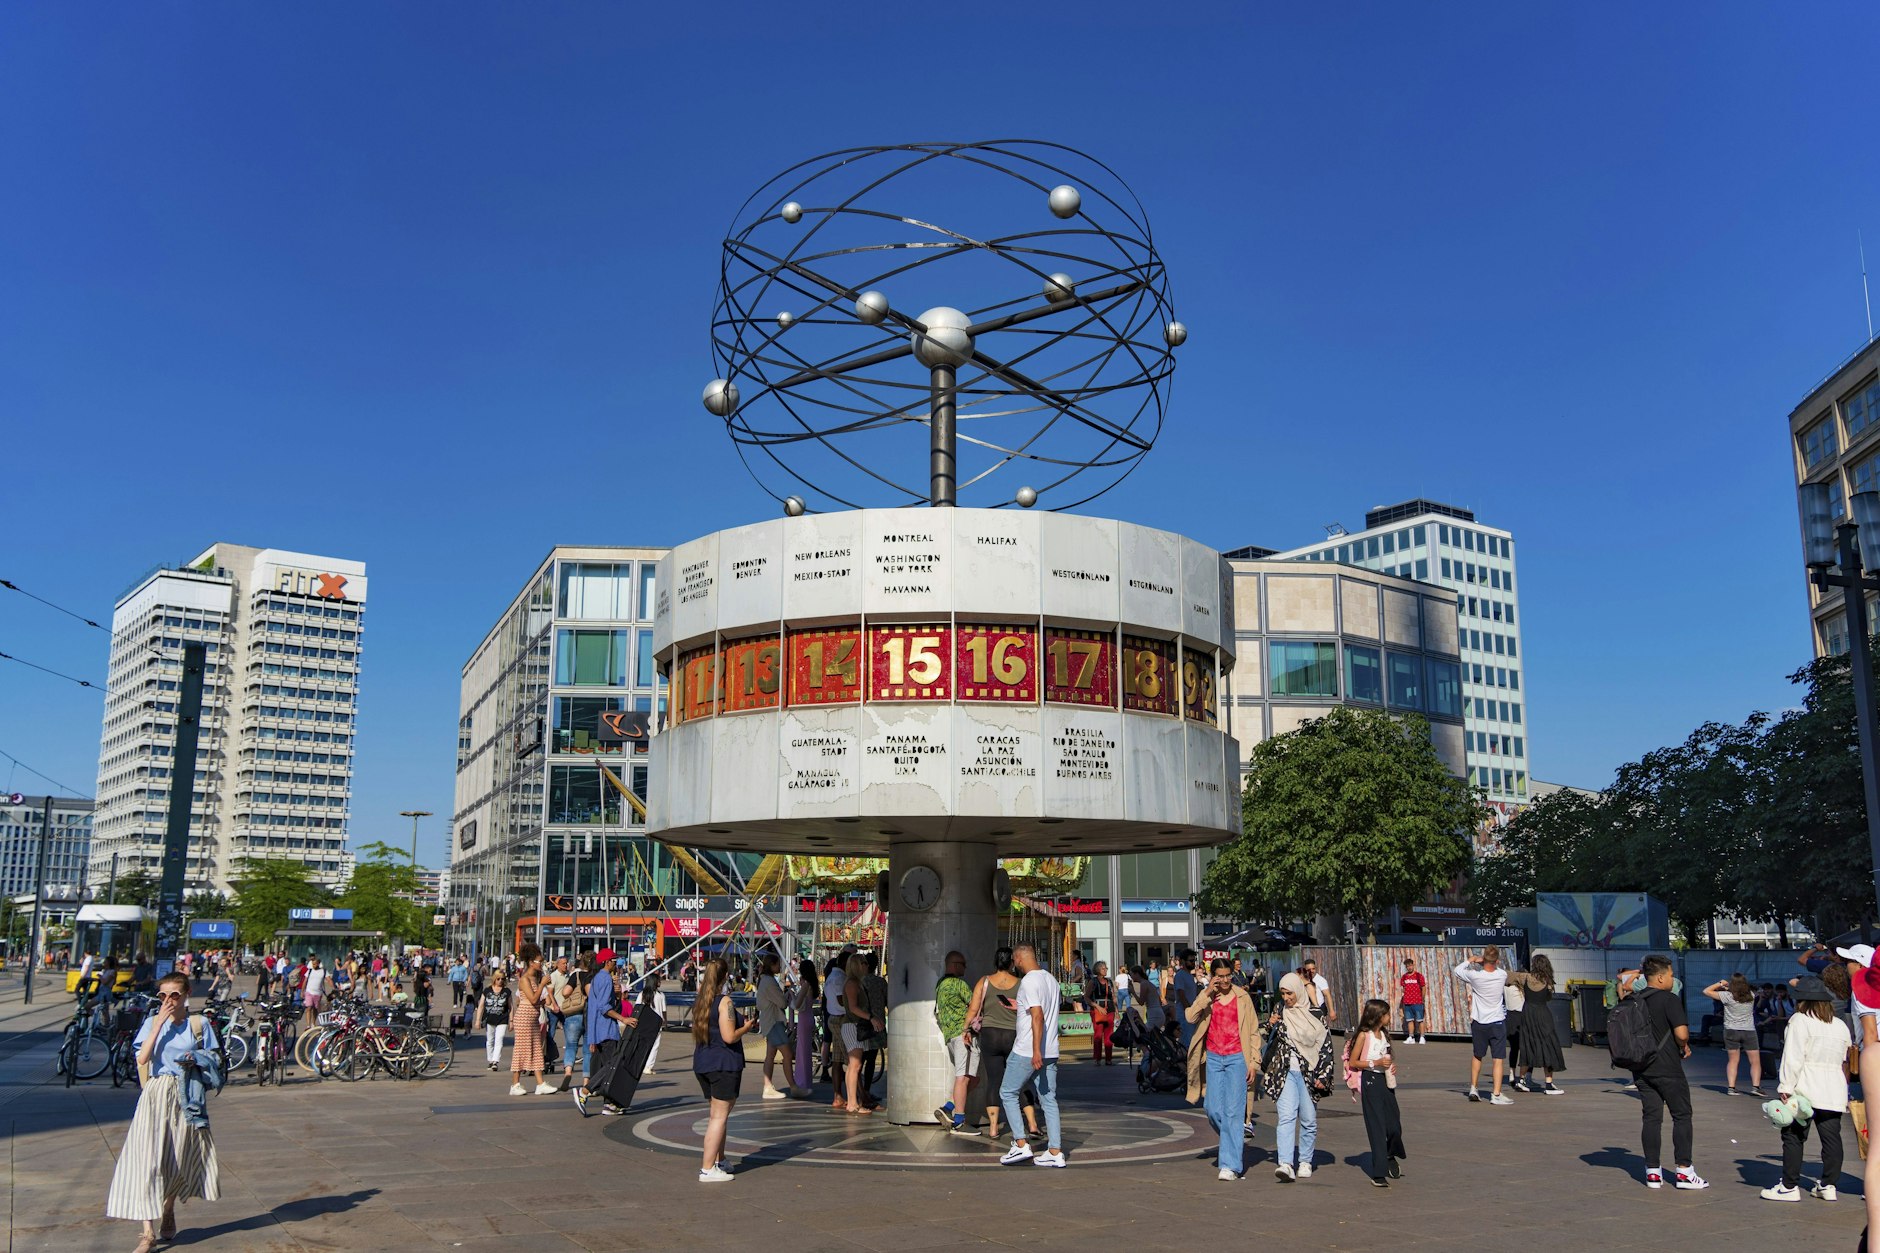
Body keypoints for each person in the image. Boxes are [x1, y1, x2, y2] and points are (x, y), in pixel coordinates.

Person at [107, 972, 219, 1252]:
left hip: (186, 1095)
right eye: (162, 995)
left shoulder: (199, 1024)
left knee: (178, 1158)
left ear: (186, 994)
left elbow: (215, 1059)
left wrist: (198, 1059)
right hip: (156, 1094)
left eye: (174, 995)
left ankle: (168, 1207)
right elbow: (142, 1058)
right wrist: (157, 1024)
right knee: (147, 1161)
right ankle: (147, 1233)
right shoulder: (151, 1023)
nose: (168, 1000)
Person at [1762, 975, 1852, 1202]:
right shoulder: (1839, 1024)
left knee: (1793, 1136)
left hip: (1805, 1085)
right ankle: (1828, 1185)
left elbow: (1792, 1057)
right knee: (1831, 1137)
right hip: (1834, 1086)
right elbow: (1844, 1058)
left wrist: (1785, 1086)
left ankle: (1789, 1186)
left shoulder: (1799, 1020)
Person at [1631, 954, 1705, 1190]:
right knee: (1682, 1115)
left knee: (1651, 1118)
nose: (1673, 979)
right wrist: (1683, 1046)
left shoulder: (1635, 999)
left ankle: (1652, 1172)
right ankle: (1684, 1172)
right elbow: (1682, 1034)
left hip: (1641, 1067)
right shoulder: (1669, 1000)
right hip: (1668, 1067)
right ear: (1661, 977)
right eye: (1671, 975)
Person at [1185, 957, 1261, 1181]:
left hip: (1238, 1058)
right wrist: (1206, 993)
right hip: (1214, 1058)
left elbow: (1254, 1032)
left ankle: (1230, 1165)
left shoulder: (1242, 997)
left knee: (1233, 1112)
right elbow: (1190, 1017)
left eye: (1228, 975)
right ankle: (1233, 1136)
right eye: (1221, 976)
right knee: (1212, 1108)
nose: (1225, 980)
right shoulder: (1209, 996)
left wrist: (1253, 1063)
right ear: (1213, 975)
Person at [998, 943, 1065, 1168]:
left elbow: (1037, 1016)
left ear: (1018, 958)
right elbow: (1040, 1008)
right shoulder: (1051, 980)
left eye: (1015, 961)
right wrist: (1019, 1006)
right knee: (1048, 1098)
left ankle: (1020, 1144)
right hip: (1051, 1050)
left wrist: (1035, 1050)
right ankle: (1055, 1151)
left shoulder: (1027, 981)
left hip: (1028, 1049)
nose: (1014, 965)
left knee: (1007, 1092)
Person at [1261, 971, 1332, 1181]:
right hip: (1283, 1072)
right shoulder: (1280, 1010)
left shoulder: (1315, 1013)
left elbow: (1325, 1046)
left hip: (1309, 1073)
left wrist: (1324, 1075)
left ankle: (1305, 1161)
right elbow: (1266, 1034)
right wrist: (1270, 1024)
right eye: (1282, 994)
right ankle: (1285, 1163)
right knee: (1286, 1117)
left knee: (1309, 1119)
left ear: (1298, 991)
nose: (1286, 998)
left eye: (1289, 993)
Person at [692, 957, 756, 1183]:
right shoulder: (725, 1002)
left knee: (718, 1115)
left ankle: (720, 1160)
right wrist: (745, 1027)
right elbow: (729, 1036)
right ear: (724, 976)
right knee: (718, 1117)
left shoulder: (702, 1000)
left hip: (703, 1062)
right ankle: (707, 1168)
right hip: (723, 1063)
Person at [967, 948, 1040, 1142]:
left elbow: (974, 1009)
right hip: (1014, 1037)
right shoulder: (1021, 983)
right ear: (1011, 963)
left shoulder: (984, 982)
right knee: (1021, 1081)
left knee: (994, 1082)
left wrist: (965, 1030)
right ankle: (1032, 1124)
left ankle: (992, 1128)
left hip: (990, 1036)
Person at [1346, 997, 1406, 1187]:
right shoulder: (1365, 1035)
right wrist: (1376, 1064)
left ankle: (1390, 1154)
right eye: (1387, 1013)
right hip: (1370, 1081)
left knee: (1394, 1124)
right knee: (1377, 1127)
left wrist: (1391, 1066)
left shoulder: (1385, 1035)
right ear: (1378, 1016)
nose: (1390, 1017)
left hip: (1385, 1081)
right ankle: (1379, 1173)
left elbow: (1387, 1057)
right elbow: (1353, 1062)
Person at [574, 948, 635, 1115]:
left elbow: (593, 1007)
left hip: (597, 1030)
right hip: (607, 1029)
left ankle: (610, 1103)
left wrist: (592, 1036)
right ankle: (585, 1091)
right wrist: (623, 1018)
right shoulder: (606, 979)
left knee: (609, 1067)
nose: (616, 963)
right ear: (607, 962)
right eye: (614, 960)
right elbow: (603, 1007)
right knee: (612, 1067)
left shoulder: (596, 979)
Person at [1453, 947, 1512, 1105]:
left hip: (1479, 1021)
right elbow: (1496, 968)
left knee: (1477, 1055)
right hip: (1497, 1022)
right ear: (1497, 961)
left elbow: (1457, 970)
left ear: (1483, 959)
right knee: (1497, 1059)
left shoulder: (1475, 976)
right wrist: (1486, 961)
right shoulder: (1502, 975)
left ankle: (1473, 1088)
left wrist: (1472, 960)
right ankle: (1496, 1094)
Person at [1507, 953, 1566, 1095]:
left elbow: (1508, 976)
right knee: (1549, 1046)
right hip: (1542, 1014)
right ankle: (1549, 1084)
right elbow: (1549, 997)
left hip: (1527, 1014)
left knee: (1527, 1045)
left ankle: (1521, 1080)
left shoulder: (1524, 977)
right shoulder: (1548, 981)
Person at [933, 950, 979, 1132]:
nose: (965, 968)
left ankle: (948, 1108)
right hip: (964, 1036)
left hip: (950, 1036)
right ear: (953, 965)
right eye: (962, 964)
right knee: (963, 1078)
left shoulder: (940, 984)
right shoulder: (959, 984)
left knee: (973, 1078)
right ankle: (959, 1121)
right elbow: (974, 1005)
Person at [1704, 974, 1763, 1096]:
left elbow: (1706, 991)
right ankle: (1756, 1087)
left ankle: (1731, 1088)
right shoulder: (1751, 995)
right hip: (1749, 1030)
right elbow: (1758, 991)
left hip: (1731, 1030)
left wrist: (1721, 984)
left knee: (1733, 1060)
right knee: (1755, 1061)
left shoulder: (1727, 996)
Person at [509, 943, 554, 1096]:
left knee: (536, 1049)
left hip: (533, 1017)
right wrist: (542, 985)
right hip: (524, 1017)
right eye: (539, 961)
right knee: (522, 1049)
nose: (541, 964)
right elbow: (533, 999)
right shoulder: (525, 979)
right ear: (530, 962)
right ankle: (515, 1084)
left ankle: (540, 1083)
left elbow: (538, 1001)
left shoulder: (535, 978)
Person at [755, 953, 801, 1100]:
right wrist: (786, 995)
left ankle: (768, 1086)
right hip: (774, 1021)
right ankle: (793, 1087)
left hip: (769, 1021)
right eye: (777, 964)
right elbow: (781, 1003)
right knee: (787, 1054)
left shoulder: (764, 980)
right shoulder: (769, 982)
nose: (779, 967)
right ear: (772, 965)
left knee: (770, 1055)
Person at [840, 953, 879, 1114]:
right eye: (863, 963)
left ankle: (852, 1101)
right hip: (852, 1025)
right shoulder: (852, 984)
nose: (866, 966)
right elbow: (854, 1007)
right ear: (857, 965)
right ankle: (852, 1102)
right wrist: (871, 1018)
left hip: (854, 1025)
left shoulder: (855, 983)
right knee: (855, 1065)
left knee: (854, 1065)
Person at [553, 955, 586, 1093]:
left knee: (571, 1046)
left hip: (573, 1014)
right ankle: (586, 1082)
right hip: (589, 1015)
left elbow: (566, 993)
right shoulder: (593, 976)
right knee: (587, 1048)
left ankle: (568, 1072)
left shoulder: (575, 976)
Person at [860, 952, 890, 1099]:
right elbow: (888, 1002)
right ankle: (866, 1090)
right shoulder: (881, 982)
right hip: (878, 1025)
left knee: (859, 1059)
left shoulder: (860, 982)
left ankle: (858, 1090)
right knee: (871, 1059)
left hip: (862, 1025)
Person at [474, 968, 512, 1070]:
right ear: (494, 979)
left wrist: (511, 1021)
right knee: (490, 1040)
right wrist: (477, 1020)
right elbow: (481, 1005)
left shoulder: (507, 991)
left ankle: (495, 1061)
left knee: (499, 1039)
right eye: (498, 979)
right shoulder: (487, 990)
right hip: (489, 1018)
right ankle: (490, 1060)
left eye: (503, 979)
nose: (500, 981)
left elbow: (511, 1007)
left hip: (502, 1019)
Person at [793, 957, 819, 1092]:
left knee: (802, 1051)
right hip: (810, 1016)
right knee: (806, 1050)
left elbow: (797, 1004)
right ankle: (806, 1079)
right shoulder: (813, 984)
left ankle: (802, 1080)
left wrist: (793, 996)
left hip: (803, 1019)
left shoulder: (805, 985)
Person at [1085, 961, 1116, 1065]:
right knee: (1098, 1035)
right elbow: (1086, 997)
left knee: (1109, 1035)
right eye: (1103, 968)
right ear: (1098, 970)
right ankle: (1097, 1058)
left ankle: (1109, 1059)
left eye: (1106, 968)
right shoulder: (1093, 981)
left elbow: (1113, 997)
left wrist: (1116, 1010)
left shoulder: (1109, 982)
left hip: (1110, 1009)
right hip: (1097, 1010)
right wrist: (1097, 1006)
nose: (1106, 969)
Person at [1169, 952, 1200, 1052]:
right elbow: (1181, 995)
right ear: (1182, 961)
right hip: (1184, 1014)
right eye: (1191, 961)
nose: (1193, 963)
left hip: (1191, 1013)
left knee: (1190, 1040)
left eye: (1194, 960)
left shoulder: (1190, 976)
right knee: (1187, 1042)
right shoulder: (1180, 975)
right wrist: (1189, 1010)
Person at [1396, 957, 1428, 1044]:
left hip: (1417, 1002)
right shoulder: (1404, 977)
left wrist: (1422, 998)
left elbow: (1423, 987)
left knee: (1420, 1020)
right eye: (1407, 966)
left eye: (1410, 965)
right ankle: (1411, 1037)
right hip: (1407, 1002)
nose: (1409, 967)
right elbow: (1403, 988)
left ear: (1413, 965)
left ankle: (1422, 1037)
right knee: (1409, 1020)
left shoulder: (1418, 976)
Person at [1301, 957, 1335, 1027]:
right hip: (1307, 1010)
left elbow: (1327, 995)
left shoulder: (1321, 980)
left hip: (1319, 1009)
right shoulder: (1303, 980)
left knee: (1321, 1030)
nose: (1311, 971)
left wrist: (1331, 1011)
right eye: (1309, 970)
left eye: (1313, 969)